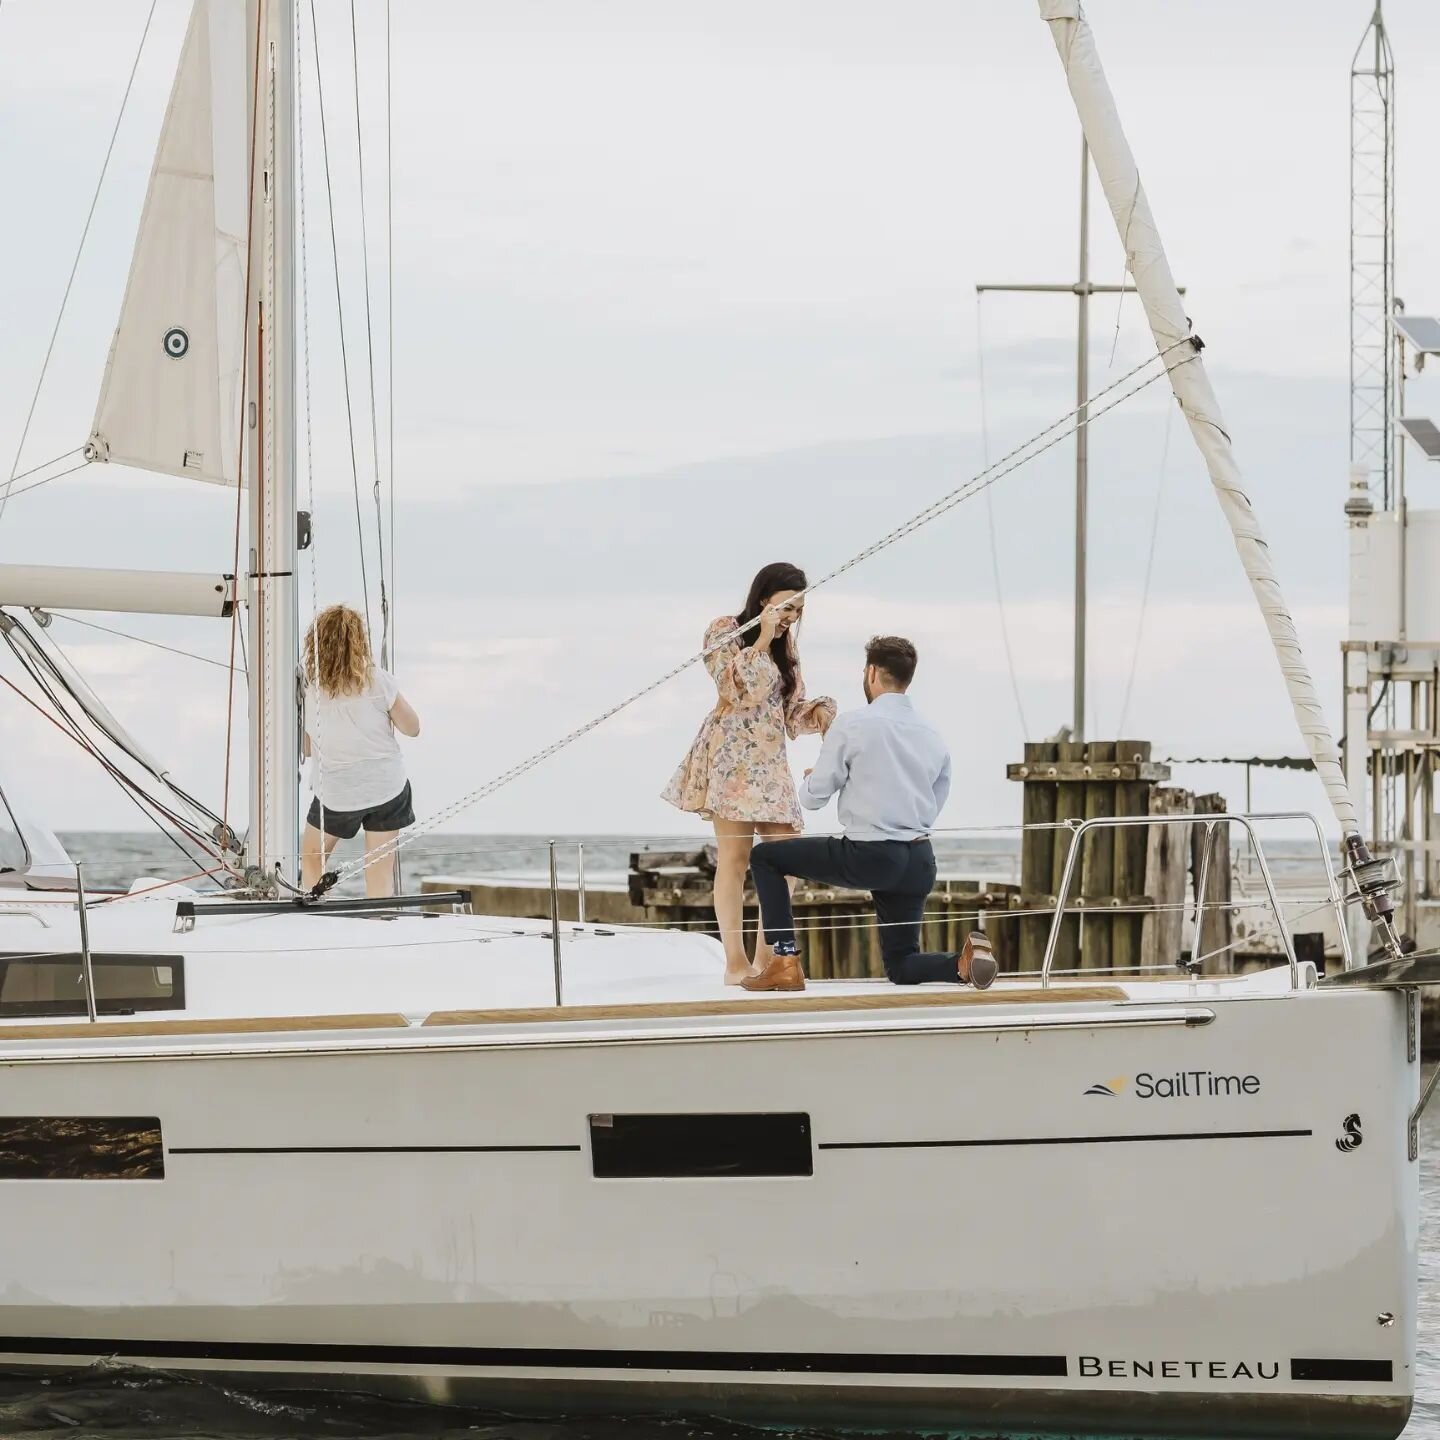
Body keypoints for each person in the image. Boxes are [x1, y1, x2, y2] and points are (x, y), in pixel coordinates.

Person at [742, 634, 997, 993]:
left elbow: (815, 798)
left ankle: (784, 961)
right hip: (919, 859)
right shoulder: (932, 733)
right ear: (907, 678)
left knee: (765, 857)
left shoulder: (853, 724)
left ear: (873, 672)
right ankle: (961, 964)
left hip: (870, 855)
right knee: (901, 965)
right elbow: (936, 795)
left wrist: (813, 779)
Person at [662, 563, 836, 985]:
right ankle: (735, 963)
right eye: (786, 606)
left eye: (798, 610)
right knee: (735, 860)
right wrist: (761, 637)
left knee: (786, 861)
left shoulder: (786, 647)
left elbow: (789, 709)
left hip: (771, 761)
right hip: (733, 758)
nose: (792, 617)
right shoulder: (724, 629)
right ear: (764, 598)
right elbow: (738, 689)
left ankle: (770, 959)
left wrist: (817, 712)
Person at [300, 604, 420, 899]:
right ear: (359, 642)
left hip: (338, 793)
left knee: (312, 856)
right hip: (387, 788)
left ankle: (315, 917)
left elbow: (308, 749)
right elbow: (413, 728)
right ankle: (380, 923)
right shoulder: (378, 680)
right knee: (378, 871)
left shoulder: (310, 690)